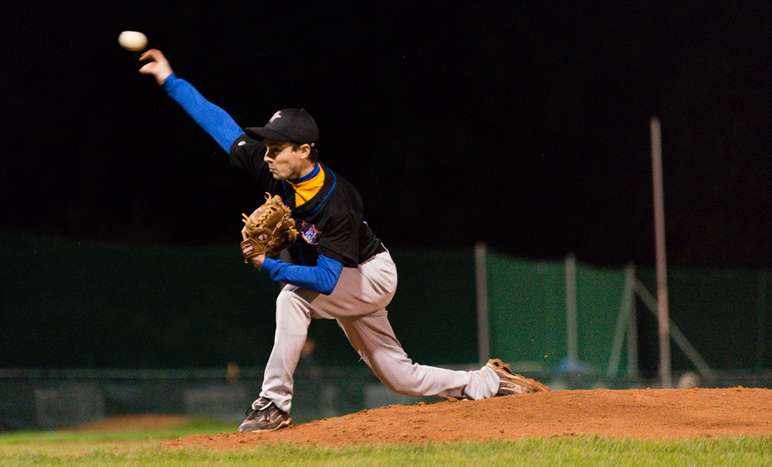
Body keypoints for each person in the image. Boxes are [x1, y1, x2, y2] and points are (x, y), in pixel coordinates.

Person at [138, 49, 548, 433]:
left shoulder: (337, 201)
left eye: (277, 147)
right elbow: (220, 125)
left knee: (291, 297)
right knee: (400, 377)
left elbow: (327, 279)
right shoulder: (274, 170)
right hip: (345, 281)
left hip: (369, 275)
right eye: (266, 145)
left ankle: (273, 404)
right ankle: (488, 383)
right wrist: (170, 79)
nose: (266, 154)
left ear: (304, 150)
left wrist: (270, 266)